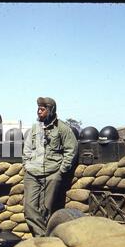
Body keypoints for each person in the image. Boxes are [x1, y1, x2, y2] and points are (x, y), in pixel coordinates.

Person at [22, 97, 78, 237]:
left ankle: (43, 240)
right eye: (38, 109)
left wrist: (61, 171)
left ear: (51, 110)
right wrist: (27, 164)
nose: (39, 112)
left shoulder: (63, 128)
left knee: (47, 210)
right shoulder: (35, 128)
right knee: (29, 209)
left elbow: (71, 149)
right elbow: (27, 148)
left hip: (52, 173)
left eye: (42, 109)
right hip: (32, 172)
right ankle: (44, 238)